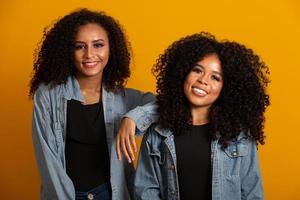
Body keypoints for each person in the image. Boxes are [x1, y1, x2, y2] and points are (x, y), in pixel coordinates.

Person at [30, 8, 157, 200]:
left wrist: (132, 118)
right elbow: (48, 163)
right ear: (67, 51)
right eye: (79, 46)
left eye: (98, 45)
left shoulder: (123, 97)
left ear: (110, 48)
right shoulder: (48, 95)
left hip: (112, 194)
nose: (89, 54)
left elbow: (163, 105)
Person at [134, 32, 270, 200]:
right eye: (197, 70)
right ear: (183, 72)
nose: (203, 80)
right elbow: (146, 191)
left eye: (215, 77)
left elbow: (252, 193)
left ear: (226, 88)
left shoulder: (240, 135)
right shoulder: (158, 132)